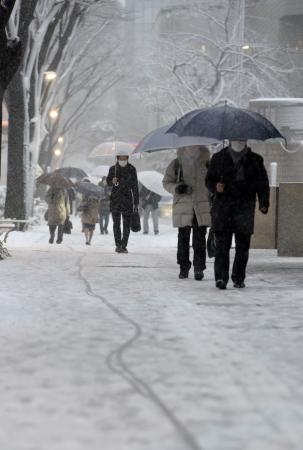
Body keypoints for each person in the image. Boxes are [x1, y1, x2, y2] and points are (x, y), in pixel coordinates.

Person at [205, 140, 270, 290]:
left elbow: (262, 183)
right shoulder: (218, 158)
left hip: (244, 206)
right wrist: (215, 186)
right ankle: (221, 277)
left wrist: (264, 202)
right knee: (222, 245)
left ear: (246, 141)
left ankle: (238, 277)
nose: (238, 141)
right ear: (229, 140)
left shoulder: (255, 159)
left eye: (241, 138)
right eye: (235, 138)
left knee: (243, 246)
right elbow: (209, 179)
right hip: (223, 207)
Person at [163, 146, 211, 280]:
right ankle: (184, 267)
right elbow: (166, 182)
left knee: (200, 239)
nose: (192, 147)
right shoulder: (176, 163)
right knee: (183, 239)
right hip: (183, 206)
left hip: (202, 206)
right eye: (189, 145)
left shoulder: (207, 162)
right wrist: (177, 188)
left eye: (195, 144)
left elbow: (213, 182)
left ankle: (199, 267)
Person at [107, 153, 139, 253]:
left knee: (126, 224)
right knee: (116, 224)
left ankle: (124, 245)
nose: (123, 159)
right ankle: (118, 245)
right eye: (121, 158)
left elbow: (135, 186)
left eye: (125, 158)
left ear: (127, 158)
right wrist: (113, 181)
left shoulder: (132, 169)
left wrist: (136, 202)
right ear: (117, 158)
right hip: (115, 199)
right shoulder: (113, 169)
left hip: (128, 200)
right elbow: (108, 182)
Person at [79, 180, 100, 245]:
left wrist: (84, 204)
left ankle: (87, 240)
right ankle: (89, 240)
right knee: (91, 228)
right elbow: (98, 204)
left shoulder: (84, 193)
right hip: (93, 212)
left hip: (87, 211)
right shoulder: (96, 193)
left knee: (86, 227)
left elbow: (82, 202)